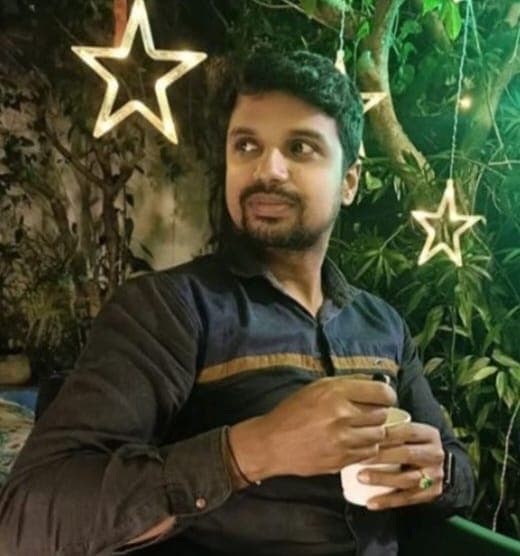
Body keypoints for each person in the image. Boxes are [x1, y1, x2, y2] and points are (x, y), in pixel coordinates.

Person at [0, 50, 474, 556]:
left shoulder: (382, 326)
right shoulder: (169, 311)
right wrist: (251, 450)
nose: (268, 170)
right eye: (246, 145)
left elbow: (458, 473)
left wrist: (436, 475)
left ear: (349, 182)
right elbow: (27, 518)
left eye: (300, 147)